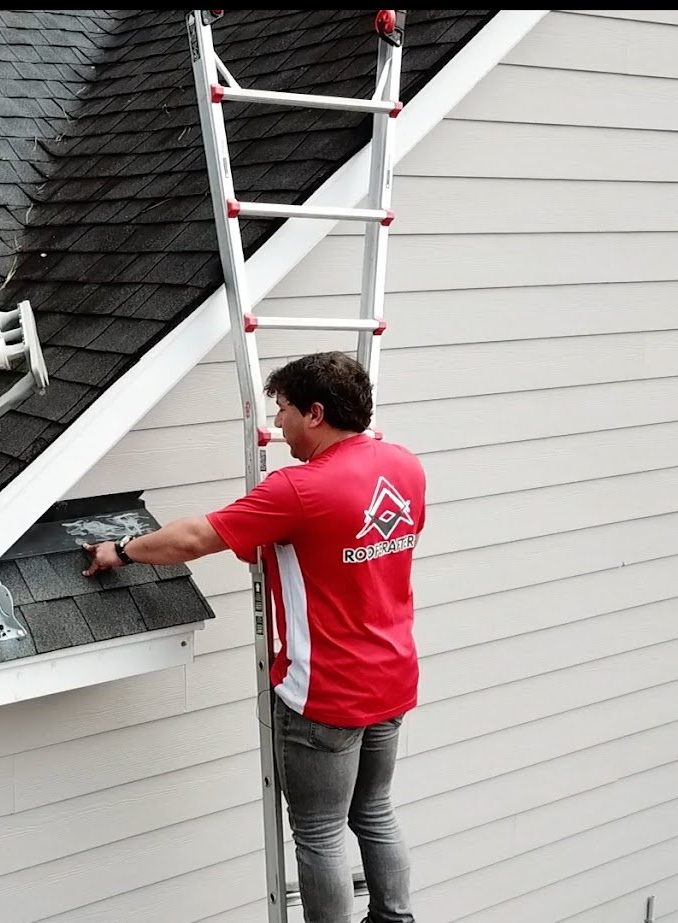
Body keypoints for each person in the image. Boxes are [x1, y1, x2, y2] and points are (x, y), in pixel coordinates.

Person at [82, 351, 426, 923]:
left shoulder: (300, 490)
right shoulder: (406, 467)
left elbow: (194, 538)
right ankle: (395, 917)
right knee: (375, 812)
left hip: (326, 696)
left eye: (285, 410)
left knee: (318, 833)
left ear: (315, 413)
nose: (278, 424)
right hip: (392, 680)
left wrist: (118, 551)